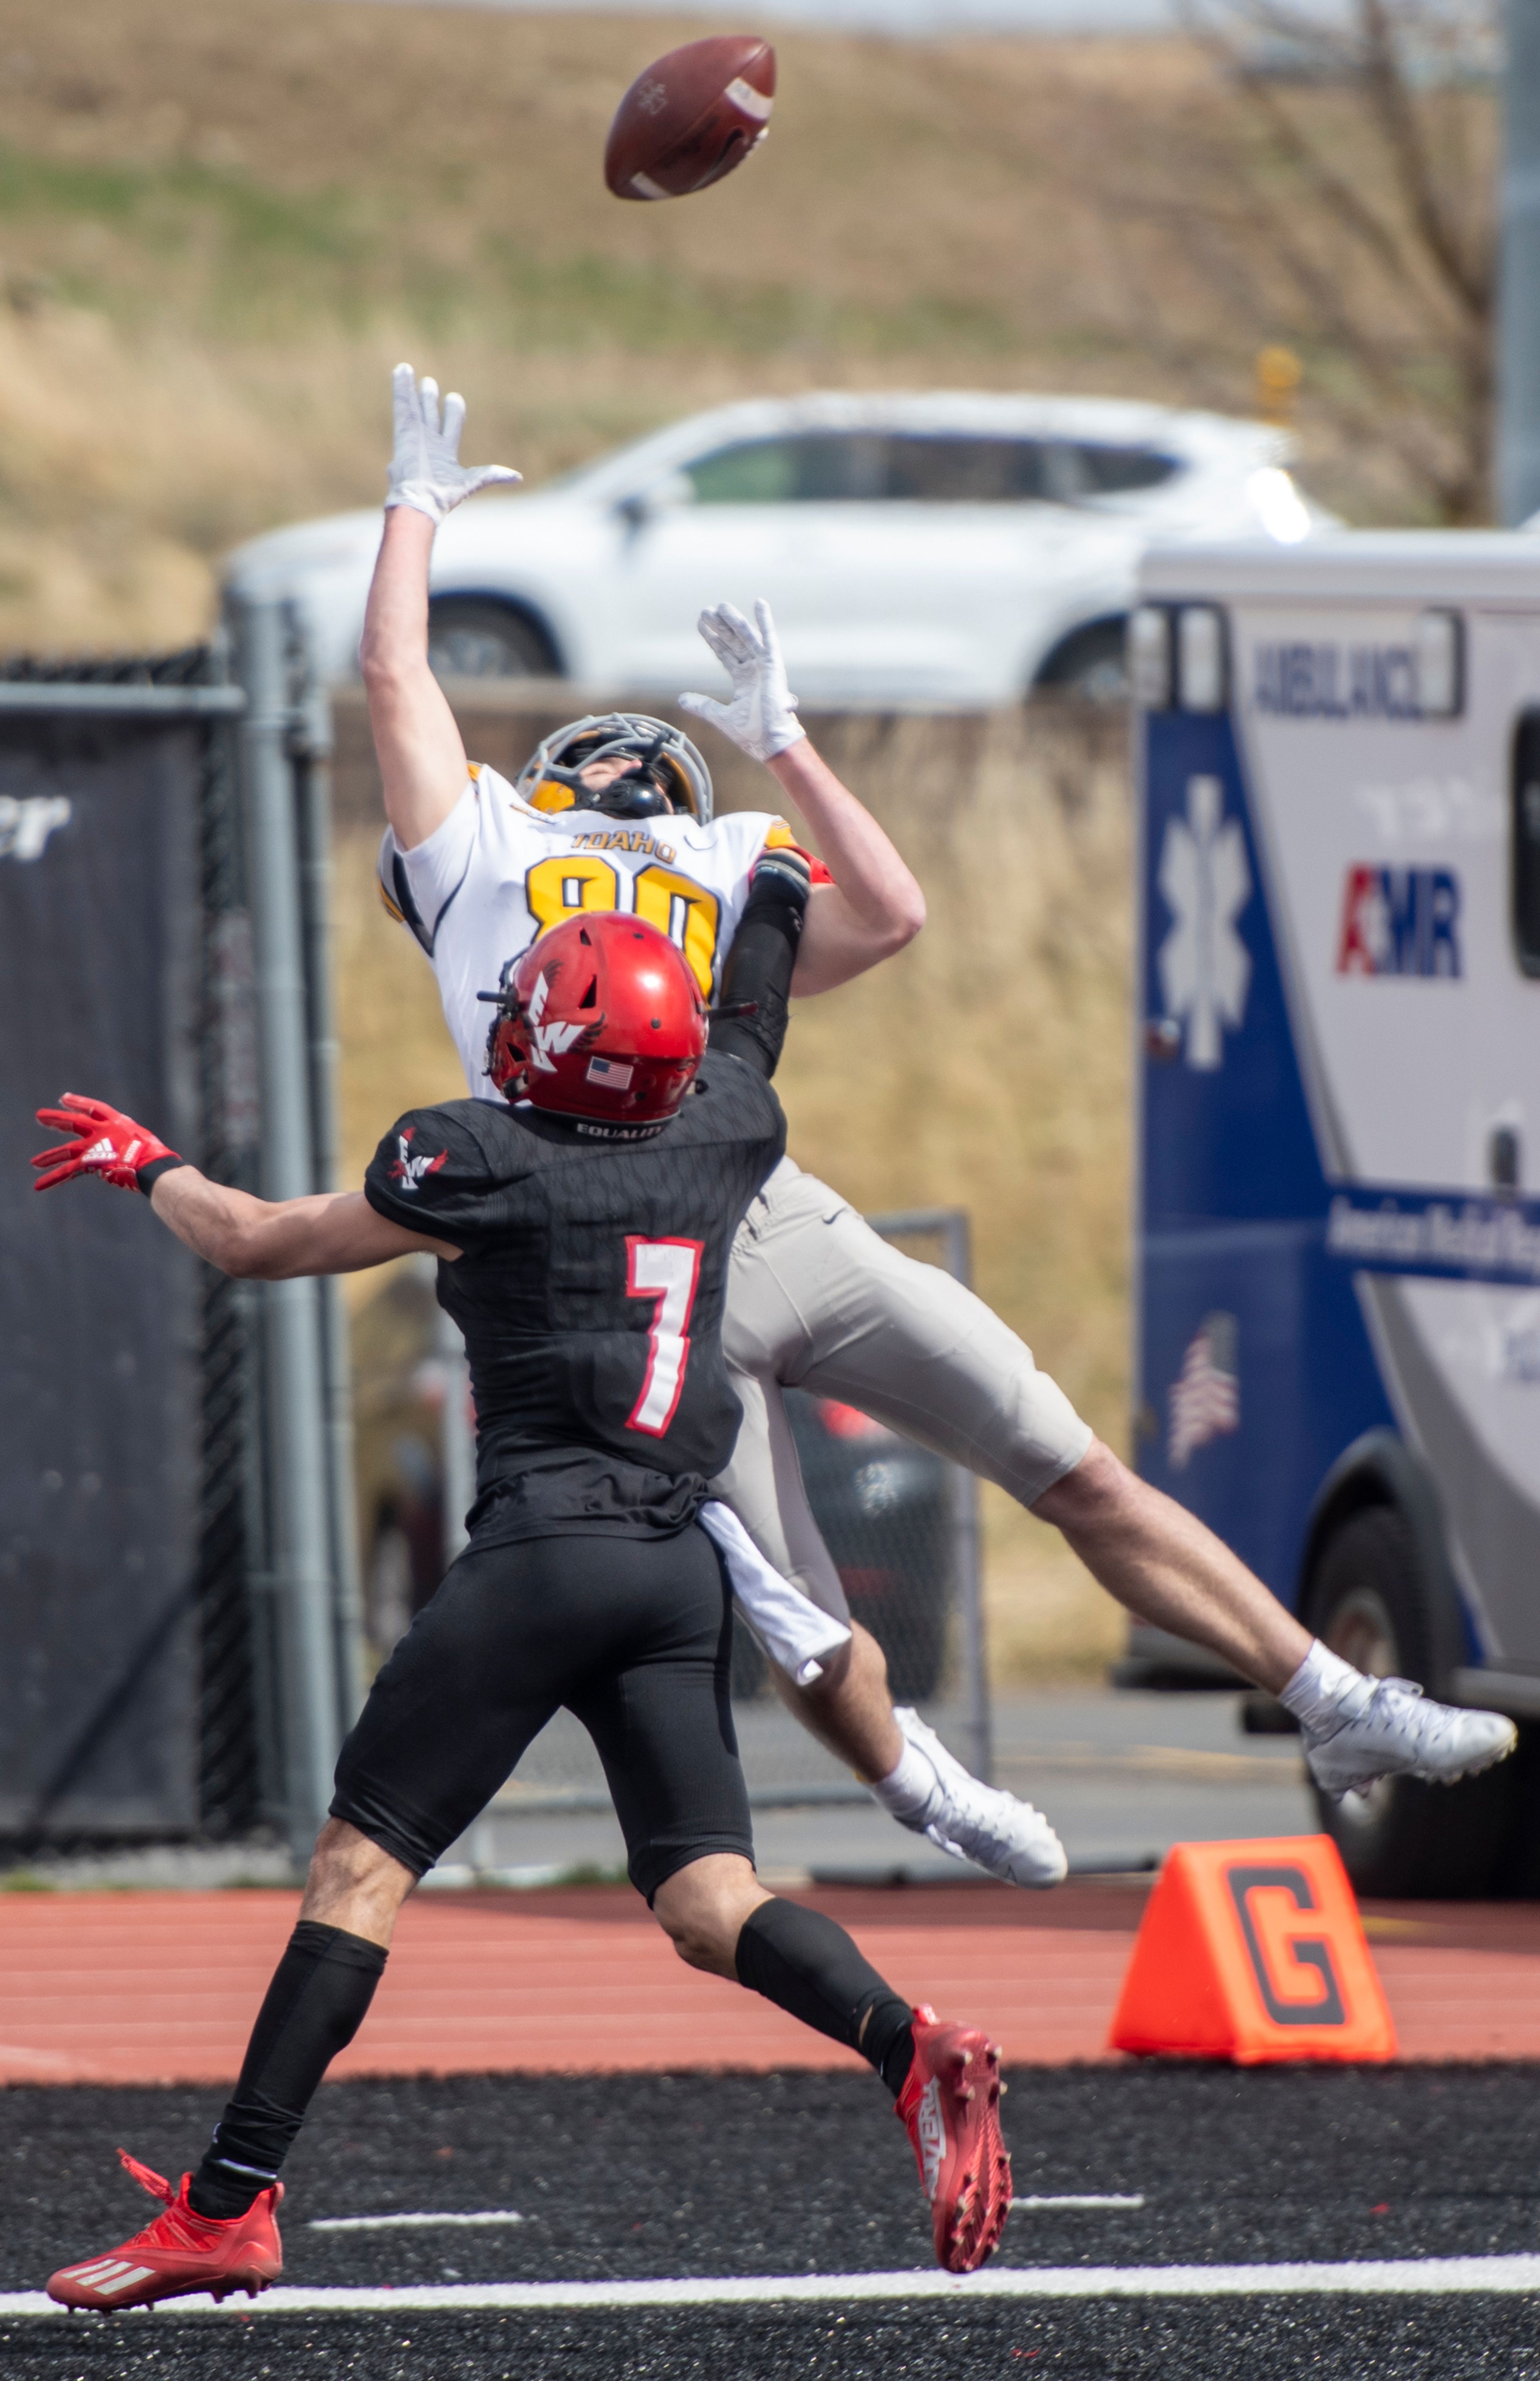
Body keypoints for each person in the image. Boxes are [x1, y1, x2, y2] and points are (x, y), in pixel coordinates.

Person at [365, 365, 1517, 1836]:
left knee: (942, 1524)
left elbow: (402, 674)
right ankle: (978, 1775)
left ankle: (1301, 1711)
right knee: (847, 1570)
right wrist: (781, 738)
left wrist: (416, 513)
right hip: (688, 1239)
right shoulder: (666, 856)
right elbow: (892, 910)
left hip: (698, 1229)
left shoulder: (496, 856)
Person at [36, 892, 1011, 2312]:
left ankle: (226, 2204)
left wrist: (146, 1164)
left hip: (543, 1554)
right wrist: (781, 888)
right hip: (677, 1565)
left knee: (361, 1871)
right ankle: (901, 2038)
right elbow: (753, 1014)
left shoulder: (477, 1155)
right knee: (706, 1896)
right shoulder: (726, 1129)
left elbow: (251, 1237)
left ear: (548, 1044)